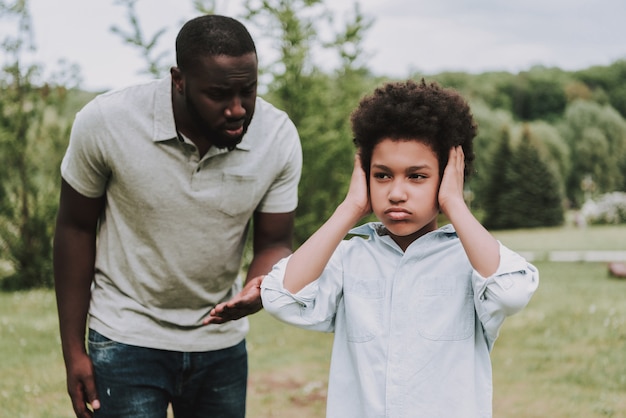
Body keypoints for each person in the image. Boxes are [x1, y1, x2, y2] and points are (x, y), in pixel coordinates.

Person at [53, 14, 302, 418]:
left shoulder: (278, 136)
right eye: (219, 94)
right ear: (179, 80)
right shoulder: (106, 123)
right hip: (124, 336)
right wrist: (73, 351)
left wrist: (258, 287)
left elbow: (274, 241)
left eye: (248, 91)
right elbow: (75, 228)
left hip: (220, 344)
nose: (237, 109)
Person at [260, 79, 539, 417]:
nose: (396, 193)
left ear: (449, 176)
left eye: (417, 176)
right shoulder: (351, 258)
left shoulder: (472, 262)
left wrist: (454, 202)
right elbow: (279, 298)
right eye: (382, 175)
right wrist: (349, 207)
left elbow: (510, 293)